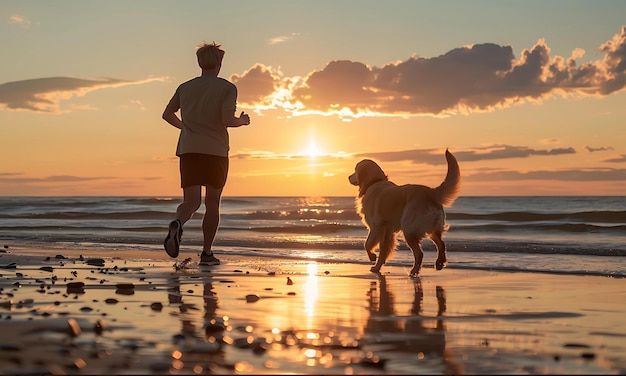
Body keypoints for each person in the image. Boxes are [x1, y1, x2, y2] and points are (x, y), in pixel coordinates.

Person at [162, 42, 250, 266]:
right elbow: (227, 120)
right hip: (215, 152)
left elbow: (167, 114)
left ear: (199, 62)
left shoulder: (185, 87)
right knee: (212, 203)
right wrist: (242, 121)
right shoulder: (227, 88)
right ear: (220, 63)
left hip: (189, 149)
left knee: (191, 202)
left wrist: (186, 128)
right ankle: (207, 253)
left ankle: (178, 223)